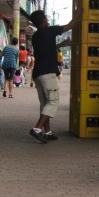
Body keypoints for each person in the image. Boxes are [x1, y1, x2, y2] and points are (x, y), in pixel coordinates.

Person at [28, 9, 80, 143]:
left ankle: (48, 132)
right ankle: (37, 129)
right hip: (47, 73)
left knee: (45, 103)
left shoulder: (36, 36)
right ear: (44, 20)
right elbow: (70, 25)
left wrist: (61, 45)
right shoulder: (50, 30)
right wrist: (79, 12)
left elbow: (47, 48)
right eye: (46, 18)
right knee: (53, 102)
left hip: (38, 74)